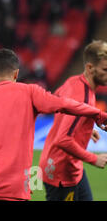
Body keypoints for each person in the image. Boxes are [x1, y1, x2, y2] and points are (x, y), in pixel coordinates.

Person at [0, 48, 107, 201]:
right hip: (17, 188)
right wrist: (98, 114)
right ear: (16, 73)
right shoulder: (30, 92)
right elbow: (64, 104)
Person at [39, 40, 107, 201]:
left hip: (71, 167)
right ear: (90, 68)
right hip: (61, 173)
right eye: (105, 69)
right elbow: (62, 139)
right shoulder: (82, 97)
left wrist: (84, 128)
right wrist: (94, 158)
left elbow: (56, 103)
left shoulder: (74, 81)